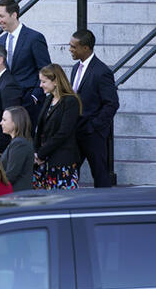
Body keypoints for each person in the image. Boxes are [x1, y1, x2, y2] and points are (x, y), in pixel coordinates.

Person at [69, 29, 119, 188]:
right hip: (76, 130)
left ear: (86, 48)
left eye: (73, 46)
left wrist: (94, 126)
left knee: (99, 173)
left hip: (93, 133)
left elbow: (111, 103)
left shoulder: (102, 71)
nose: (70, 49)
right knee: (70, 171)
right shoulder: (75, 68)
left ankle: (106, 207)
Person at [0, 0, 52, 128]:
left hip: (29, 102)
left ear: (14, 15)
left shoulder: (34, 38)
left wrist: (35, 96)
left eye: (1, 16)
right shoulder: (1, 40)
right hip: (9, 102)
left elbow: (46, 69)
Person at [33, 64, 82, 190]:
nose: (40, 85)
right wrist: (36, 152)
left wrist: (41, 154)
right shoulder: (48, 99)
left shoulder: (70, 101)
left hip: (62, 162)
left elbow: (63, 133)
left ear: (55, 81)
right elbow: (41, 129)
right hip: (45, 163)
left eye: (44, 81)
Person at [0, 106, 35, 192]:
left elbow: (11, 174)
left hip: (17, 196)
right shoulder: (17, 142)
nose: (1, 123)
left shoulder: (19, 144)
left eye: (4, 120)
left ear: (15, 122)